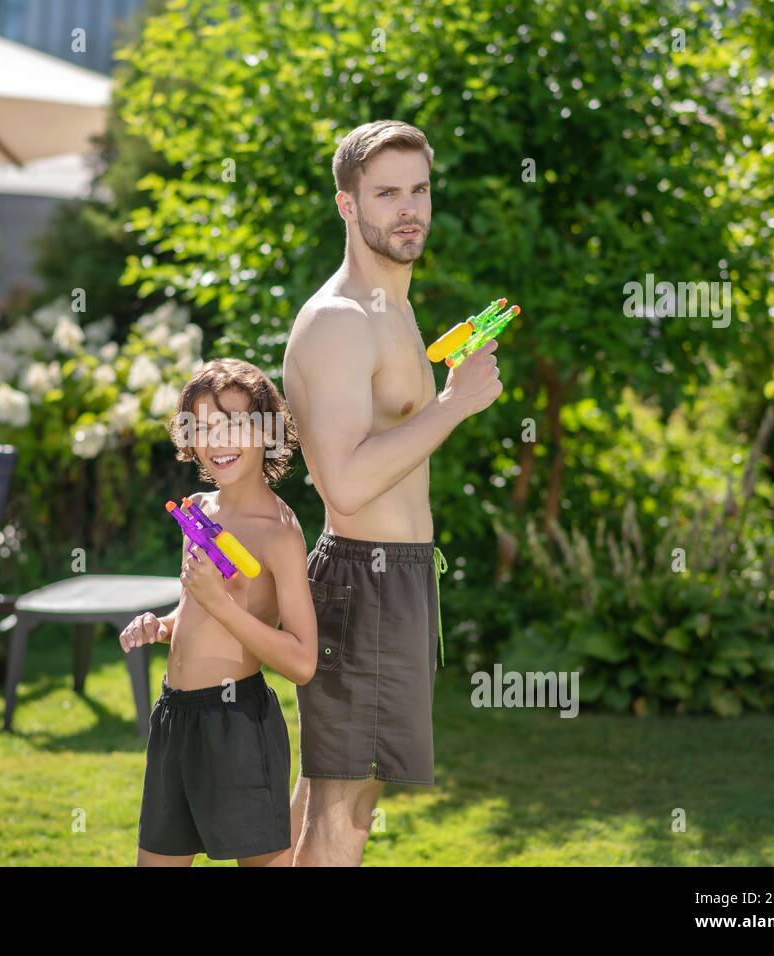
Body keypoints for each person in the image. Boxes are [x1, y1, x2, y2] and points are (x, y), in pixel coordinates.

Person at [282, 120, 505, 866]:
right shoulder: (340, 322)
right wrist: (455, 406)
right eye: (385, 194)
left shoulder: (397, 310)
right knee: (343, 814)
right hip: (364, 577)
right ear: (347, 205)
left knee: (326, 800)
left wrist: (445, 395)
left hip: (395, 578)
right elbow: (341, 484)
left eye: (419, 189)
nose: (408, 209)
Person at [121, 357, 318, 867]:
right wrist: (162, 626)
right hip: (174, 718)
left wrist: (219, 605)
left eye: (233, 423)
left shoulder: (280, 533)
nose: (218, 440)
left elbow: (301, 662)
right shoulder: (201, 511)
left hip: (236, 724)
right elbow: (196, 608)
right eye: (204, 427)